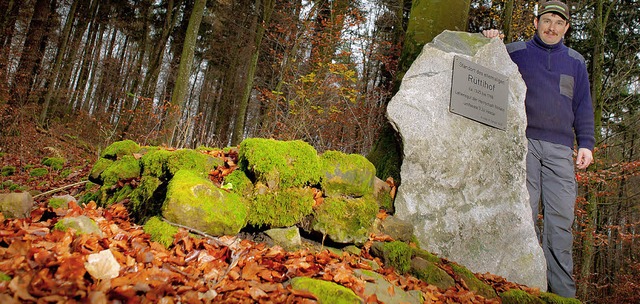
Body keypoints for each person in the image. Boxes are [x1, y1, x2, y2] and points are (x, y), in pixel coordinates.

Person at [483, 1, 595, 298]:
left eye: (559, 22)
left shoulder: (576, 62)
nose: (552, 27)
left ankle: (561, 295)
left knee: (560, 224)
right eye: (547, 20)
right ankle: (522, 288)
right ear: (536, 22)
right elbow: (486, 69)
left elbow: (583, 106)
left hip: (561, 151)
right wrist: (490, 39)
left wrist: (586, 144)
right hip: (524, 145)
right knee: (524, 215)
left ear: (566, 28)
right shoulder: (516, 52)